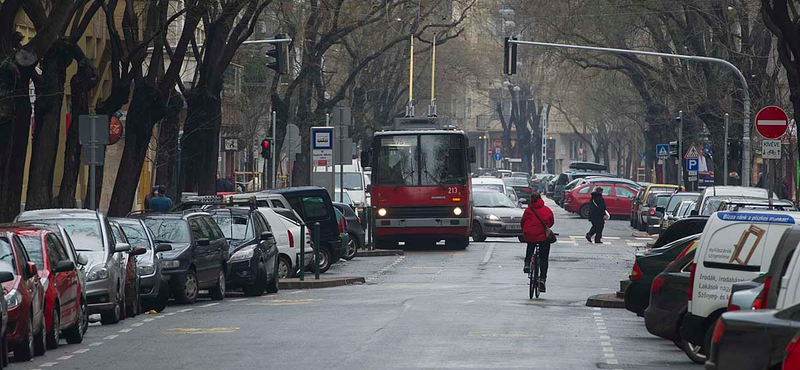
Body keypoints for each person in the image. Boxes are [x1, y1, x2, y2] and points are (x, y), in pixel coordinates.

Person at [520, 191, 554, 293]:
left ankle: (527, 264)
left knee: (530, 247)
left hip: (530, 234)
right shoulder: (547, 210)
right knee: (544, 258)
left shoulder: (528, 210)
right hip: (543, 237)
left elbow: (523, 221)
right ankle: (542, 279)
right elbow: (551, 222)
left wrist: (525, 230)